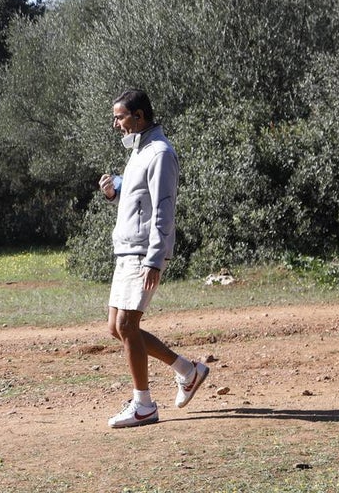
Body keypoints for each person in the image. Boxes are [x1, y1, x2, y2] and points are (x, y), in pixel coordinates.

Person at [97, 89, 209, 428]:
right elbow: (138, 196)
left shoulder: (160, 153)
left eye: (119, 117)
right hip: (127, 250)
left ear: (139, 116)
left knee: (127, 326)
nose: (115, 124)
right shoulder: (139, 150)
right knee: (116, 328)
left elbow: (163, 209)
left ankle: (143, 405)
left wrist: (155, 259)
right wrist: (114, 190)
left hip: (142, 252)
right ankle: (187, 371)